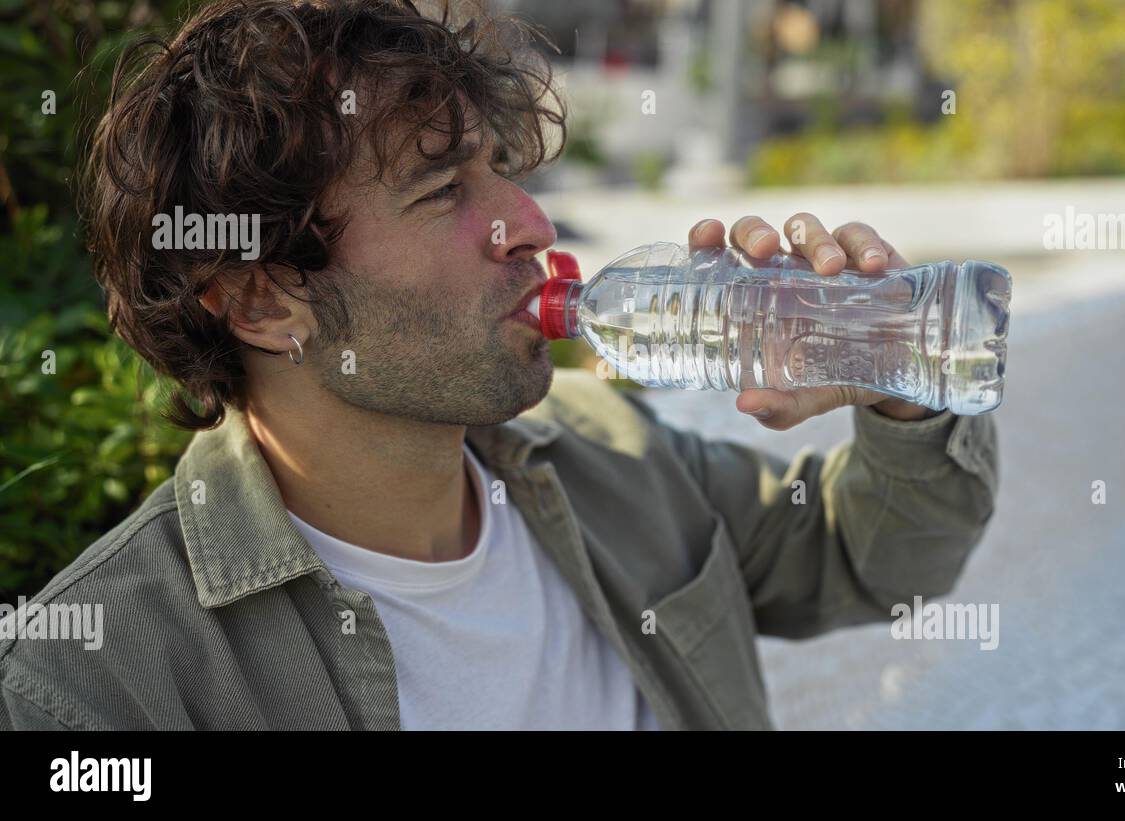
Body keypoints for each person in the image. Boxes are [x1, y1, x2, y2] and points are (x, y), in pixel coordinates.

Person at [0, 0, 998, 730]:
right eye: (443, 191)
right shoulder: (98, 684)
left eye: (506, 175)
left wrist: (894, 388)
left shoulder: (611, 451)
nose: (528, 224)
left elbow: (872, 565)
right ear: (261, 299)